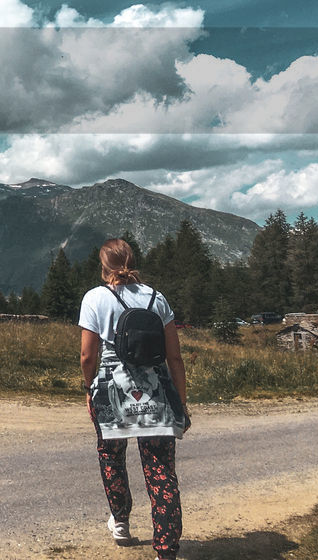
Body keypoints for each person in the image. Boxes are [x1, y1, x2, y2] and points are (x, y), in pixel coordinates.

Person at [79, 238, 190, 559]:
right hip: (156, 395)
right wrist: (180, 402)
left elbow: (88, 356)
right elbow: (175, 357)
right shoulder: (157, 299)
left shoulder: (95, 298)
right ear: (132, 260)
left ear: (104, 267)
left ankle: (122, 521)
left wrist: (90, 389)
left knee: (111, 458)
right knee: (161, 471)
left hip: (112, 395)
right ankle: (166, 550)